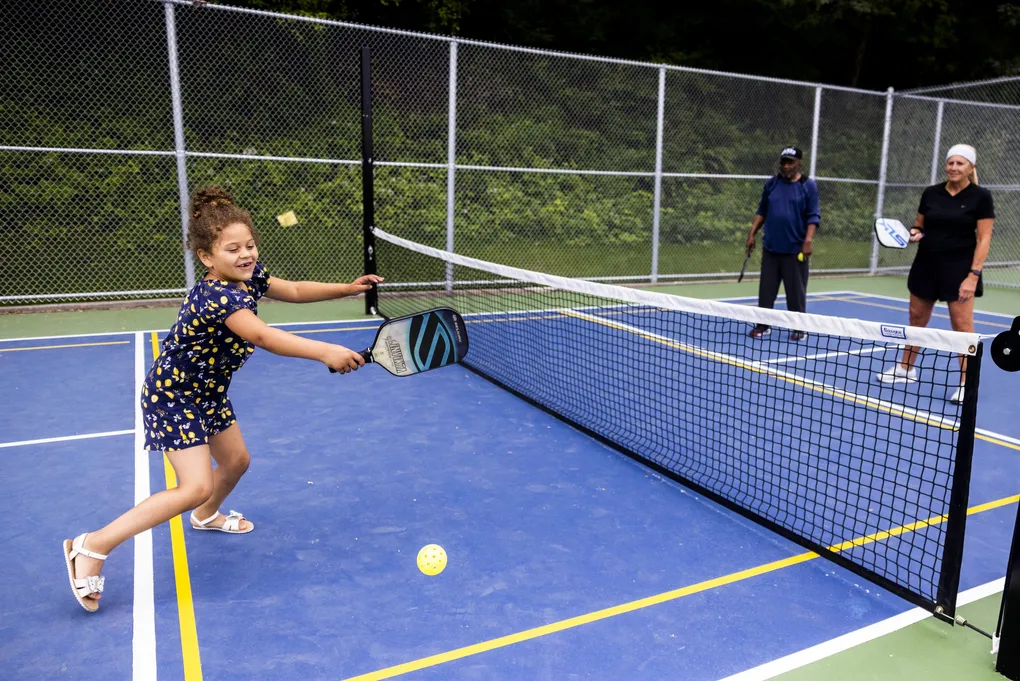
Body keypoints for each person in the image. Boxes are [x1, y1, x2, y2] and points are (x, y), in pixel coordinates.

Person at [62, 185, 382, 613]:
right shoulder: (219, 296)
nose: (246, 254)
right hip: (174, 396)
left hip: (207, 391)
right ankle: (91, 546)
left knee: (236, 463)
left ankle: (206, 516)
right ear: (207, 258)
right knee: (195, 485)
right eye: (233, 249)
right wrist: (326, 351)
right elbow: (263, 336)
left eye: (249, 245)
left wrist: (346, 289)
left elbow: (295, 289)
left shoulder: (249, 277)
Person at [875, 144, 994, 404]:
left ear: (970, 168)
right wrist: (915, 233)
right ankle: (906, 369)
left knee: (962, 328)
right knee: (916, 319)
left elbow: (984, 239)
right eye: (950, 163)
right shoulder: (931, 194)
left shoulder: (981, 197)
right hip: (926, 266)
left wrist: (973, 276)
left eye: (960, 164)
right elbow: (919, 225)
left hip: (960, 270)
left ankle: (967, 382)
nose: (953, 167)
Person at [745, 146, 821, 341]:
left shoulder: (808, 186)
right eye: (784, 162)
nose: (786, 166)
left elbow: (813, 216)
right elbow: (762, 211)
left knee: (795, 292)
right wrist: (752, 233)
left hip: (795, 250)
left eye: (790, 162)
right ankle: (763, 325)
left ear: (799, 164)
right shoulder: (772, 184)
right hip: (771, 248)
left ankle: (798, 327)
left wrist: (808, 241)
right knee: (766, 291)